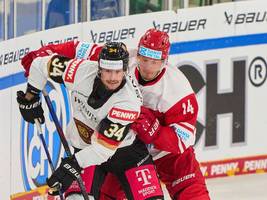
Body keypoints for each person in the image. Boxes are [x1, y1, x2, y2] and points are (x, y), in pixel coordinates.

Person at [21, 29, 210, 199]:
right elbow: (77, 48)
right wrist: (43, 54)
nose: (146, 67)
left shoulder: (178, 91)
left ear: (165, 61)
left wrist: (155, 132)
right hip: (124, 147)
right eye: (144, 59)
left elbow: (183, 140)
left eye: (154, 62)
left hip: (167, 155)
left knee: (193, 195)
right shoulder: (118, 62)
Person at [17, 42, 164, 200]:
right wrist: (31, 95)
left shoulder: (128, 103)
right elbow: (40, 65)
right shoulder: (79, 71)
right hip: (86, 148)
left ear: (125, 70)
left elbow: (102, 150)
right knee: (75, 198)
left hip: (126, 153)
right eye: (107, 71)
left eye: (117, 71)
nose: (112, 78)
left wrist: (71, 165)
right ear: (99, 68)